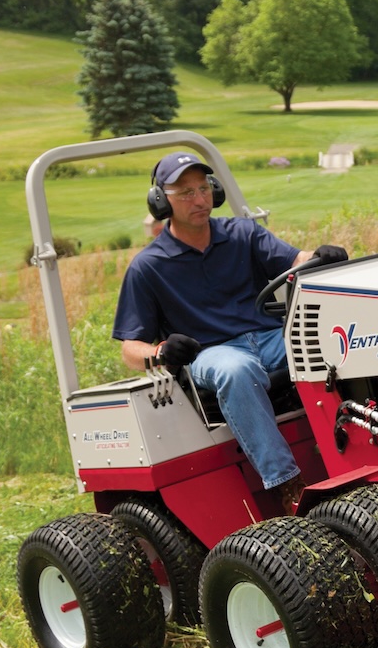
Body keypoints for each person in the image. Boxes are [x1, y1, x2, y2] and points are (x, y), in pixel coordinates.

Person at [112, 152, 346, 509]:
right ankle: (288, 485)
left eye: (203, 188)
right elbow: (131, 348)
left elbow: (296, 260)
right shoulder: (148, 267)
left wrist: (321, 255)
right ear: (161, 201)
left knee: (334, 340)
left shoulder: (242, 233)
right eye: (186, 192)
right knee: (237, 371)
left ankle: (354, 447)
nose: (199, 199)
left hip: (270, 338)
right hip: (213, 353)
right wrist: (160, 352)